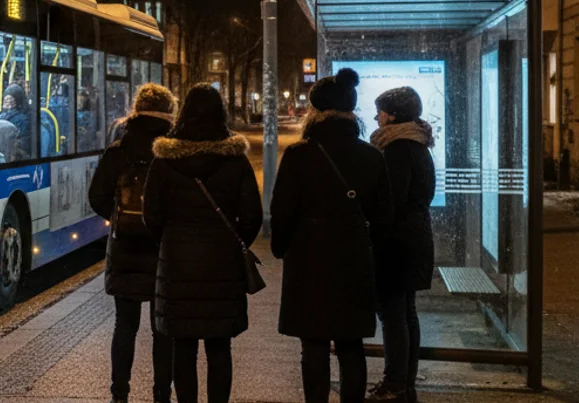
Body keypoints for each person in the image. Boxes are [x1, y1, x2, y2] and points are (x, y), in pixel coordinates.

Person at [271, 68, 392, 403]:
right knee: (351, 344)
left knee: (314, 344)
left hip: (308, 257)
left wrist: (282, 249)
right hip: (354, 257)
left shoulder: (298, 155)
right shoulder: (371, 156)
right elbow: (384, 217)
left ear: (315, 112)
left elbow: (281, 212)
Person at [143, 83, 263, 403]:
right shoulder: (235, 160)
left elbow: (151, 216)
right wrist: (233, 241)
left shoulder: (165, 159)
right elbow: (252, 215)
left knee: (182, 345)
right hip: (222, 262)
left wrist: (171, 241)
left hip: (178, 263)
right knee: (219, 345)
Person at [88, 83, 178, 403]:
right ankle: (161, 394)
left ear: (136, 110)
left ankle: (120, 394)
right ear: (169, 113)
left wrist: (119, 218)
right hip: (163, 249)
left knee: (124, 325)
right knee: (162, 329)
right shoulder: (173, 149)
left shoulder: (118, 150)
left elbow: (96, 196)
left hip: (125, 248)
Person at [368, 87, 436, 403]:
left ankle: (394, 383)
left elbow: (389, 203)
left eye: (380, 111)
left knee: (393, 314)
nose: (377, 116)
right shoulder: (419, 146)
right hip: (415, 238)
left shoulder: (396, 149)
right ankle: (404, 382)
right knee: (406, 312)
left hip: (397, 244)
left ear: (393, 115)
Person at [0, 84, 32, 159]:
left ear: (18, 101)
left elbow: (25, 142)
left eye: (11, 101)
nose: (8, 104)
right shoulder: (0, 115)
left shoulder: (24, 119)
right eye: (6, 101)